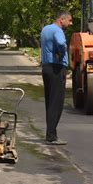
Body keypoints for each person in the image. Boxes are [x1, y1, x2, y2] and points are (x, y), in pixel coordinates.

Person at [40, 11, 73, 145]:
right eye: (69, 21)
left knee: (50, 101)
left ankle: (50, 134)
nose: (71, 23)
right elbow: (60, 43)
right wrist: (61, 52)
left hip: (46, 67)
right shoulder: (58, 31)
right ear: (62, 19)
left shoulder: (45, 29)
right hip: (57, 68)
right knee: (57, 103)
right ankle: (52, 136)